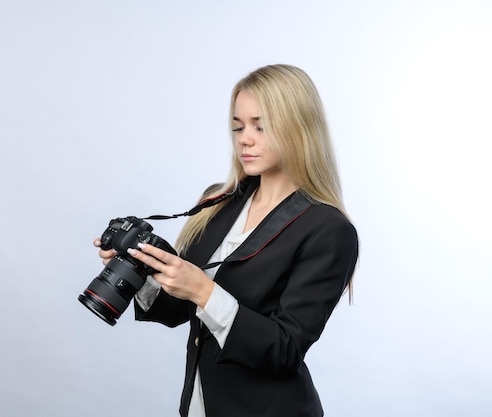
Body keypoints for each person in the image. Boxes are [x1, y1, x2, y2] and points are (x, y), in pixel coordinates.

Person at [94, 64, 359, 417]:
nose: (243, 139)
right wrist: (141, 269)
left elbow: (286, 350)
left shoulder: (329, 230)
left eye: (259, 126)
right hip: (202, 404)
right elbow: (179, 311)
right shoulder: (219, 202)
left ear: (299, 128)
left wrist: (205, 290)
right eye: (237, 126)